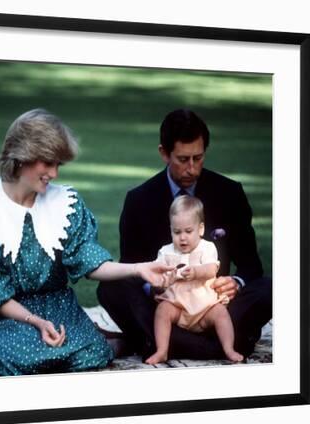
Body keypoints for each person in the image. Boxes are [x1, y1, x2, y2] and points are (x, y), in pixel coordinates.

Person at [0, 108, 172, 377]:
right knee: (28, 359)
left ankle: (87, 337)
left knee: (94, 354)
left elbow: (89, 261)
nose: (54, 173)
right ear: (22, 157)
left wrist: (139, 268)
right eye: (48, 163)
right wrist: (36, 322)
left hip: (58, 307)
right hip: (5, 313)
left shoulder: (65, 203)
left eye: (58, 164)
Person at [97, 108, 272, 361]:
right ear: (164, 153)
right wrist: (153, 288)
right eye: (183, 159)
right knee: (110, 288)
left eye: (198, 158)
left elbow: (251, 265)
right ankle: (221, 345)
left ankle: (159, 343)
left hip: (215, 305)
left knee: (270, 288)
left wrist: (236, 283)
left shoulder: (230, 193)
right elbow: (131, 266)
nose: (192, 168)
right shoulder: (139, 200)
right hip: (166, 306)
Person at [145, 195, 243, 365]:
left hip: (205, 307)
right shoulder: (166, 251)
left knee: (221, 313)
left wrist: (197, 272)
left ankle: (229, 348)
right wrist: (163, 279)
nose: (182, 237)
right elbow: (157, 272)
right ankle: (162, 350)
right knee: (162, 310)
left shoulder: (207, 247)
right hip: (178, 307)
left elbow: (212, 268)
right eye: (177, 232)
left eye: (188, 231)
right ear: (171, 230)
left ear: (201, 229)